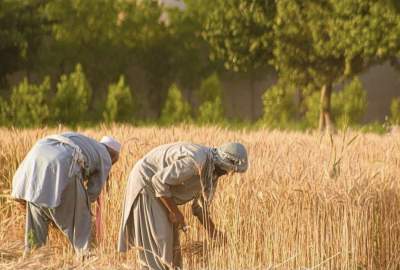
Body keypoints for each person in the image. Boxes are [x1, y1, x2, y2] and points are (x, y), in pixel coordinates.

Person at [118, 142, 248, 270]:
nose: (229, 174)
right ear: (224, 163)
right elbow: (158, 182)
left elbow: (199, 207)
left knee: (173, 250)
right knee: (160, 245)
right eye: (230, 171)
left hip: (161, 191)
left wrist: (213, 231)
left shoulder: (211, 172)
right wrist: (176, 212)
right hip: (146, 184)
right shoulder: (195, 162)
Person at [11, 132, 121, 255]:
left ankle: (32, 256)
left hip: (36, 158)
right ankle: (85, 257)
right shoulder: (105, 154)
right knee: (81, 218)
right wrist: (81, 207)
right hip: (61, 163)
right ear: (114, 156)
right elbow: (93, 192)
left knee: (37, 210)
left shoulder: (86, 142)